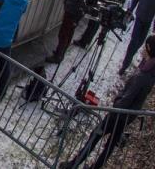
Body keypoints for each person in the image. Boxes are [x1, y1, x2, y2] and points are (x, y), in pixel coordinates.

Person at [63, 35, 155, 169]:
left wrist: (116, 103)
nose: (142, 50)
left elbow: (126, 100)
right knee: (109, 146)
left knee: (95, 136)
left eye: (144, 47)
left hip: (118, 115)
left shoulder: (143, 75)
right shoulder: (150, 71)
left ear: (148, 48)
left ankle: (73, 164)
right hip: (127, 117)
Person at [119, 0, 155, 75]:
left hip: (148, 21)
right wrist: (130, 10)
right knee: (134, 42)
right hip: (139, 18)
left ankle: (130, 60)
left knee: (139, 43)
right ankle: (125, 65)